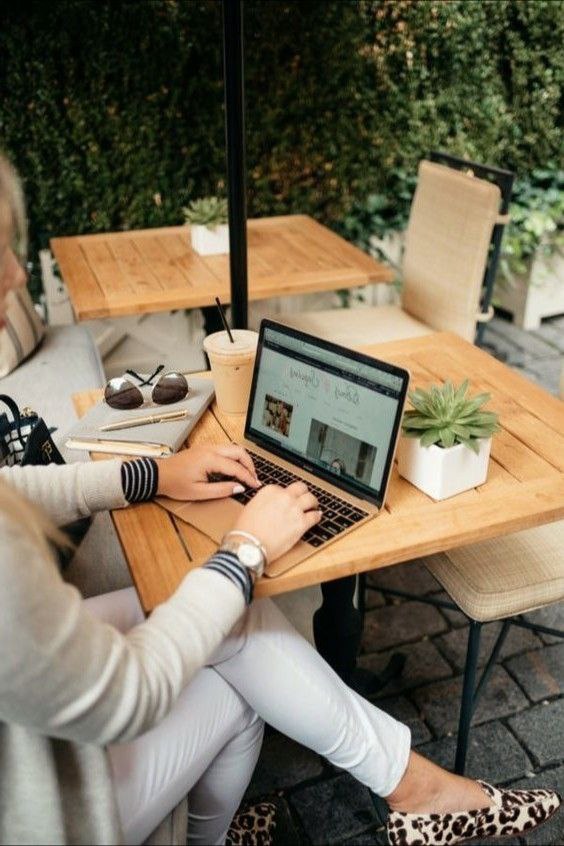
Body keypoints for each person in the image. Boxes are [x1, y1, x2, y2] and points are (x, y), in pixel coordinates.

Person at [0, 151, 560, 846]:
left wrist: (154, 475)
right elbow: (125, 698)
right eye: (2, 251)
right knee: (241, 678)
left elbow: (9, 488)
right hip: (47, 812)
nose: (18, 275)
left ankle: (410, 787)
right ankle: (407, 793)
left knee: (238, 621)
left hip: (32, 714)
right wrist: (244, 551)